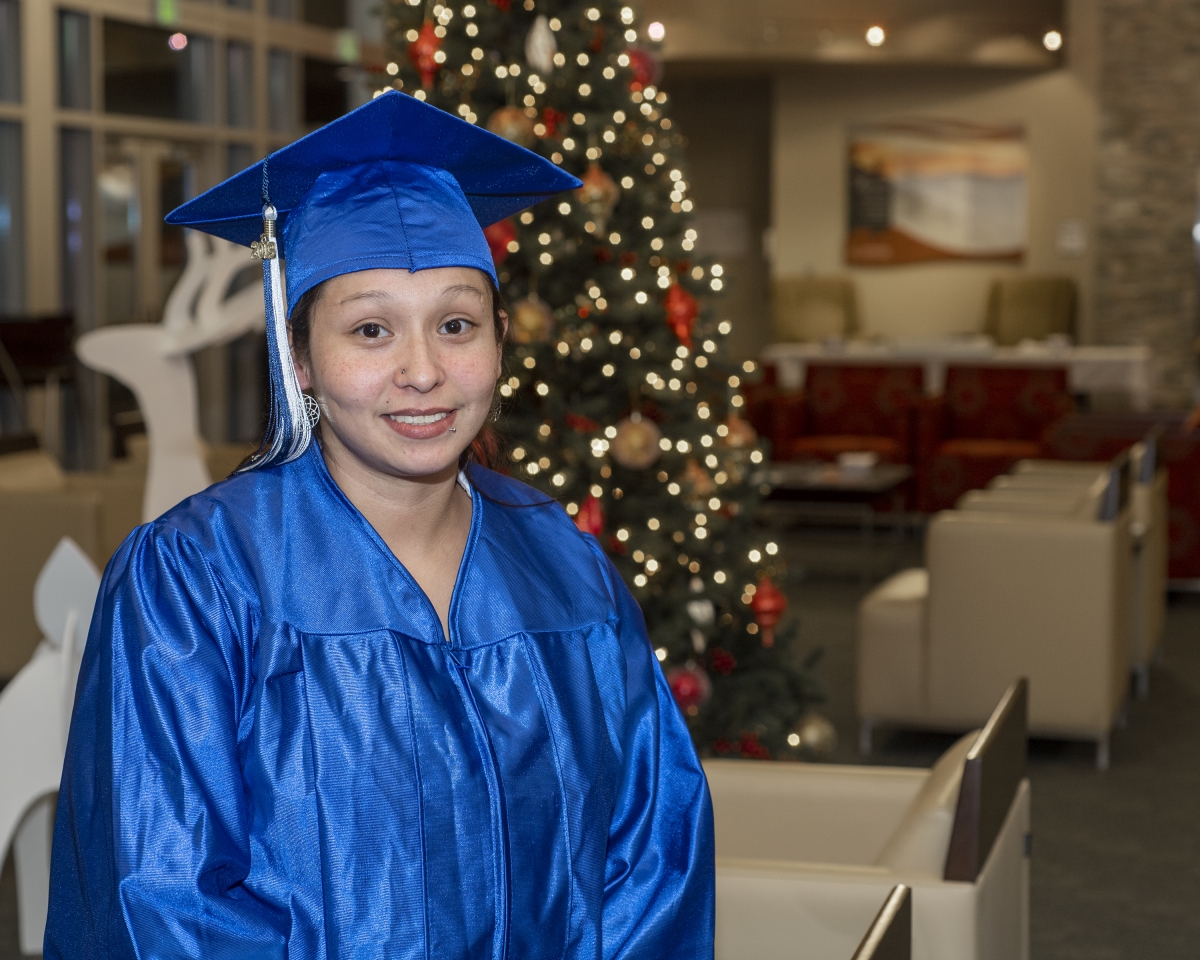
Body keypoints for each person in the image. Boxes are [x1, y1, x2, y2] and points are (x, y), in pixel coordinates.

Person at [45, 92, 714, 959]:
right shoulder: (195, 580)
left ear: (502, 342)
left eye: (456, 325)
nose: (423, 371)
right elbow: (163, 895)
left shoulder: (566, 565)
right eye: (370, 329)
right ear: (300, 360)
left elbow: (652, 855)